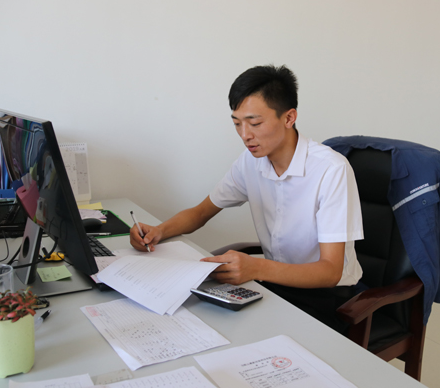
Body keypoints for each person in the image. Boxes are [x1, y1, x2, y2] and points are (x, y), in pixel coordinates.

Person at [130, 65, 364, 332]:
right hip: (276, 285)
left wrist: (257, 268)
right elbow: (201, 213)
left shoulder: (331, 169)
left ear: (289, 118)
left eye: (255, 123)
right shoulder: (250, 162)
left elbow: (330, 271)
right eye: (237, 124)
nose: (245, 135)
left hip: (328, 297)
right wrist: (158, 231)